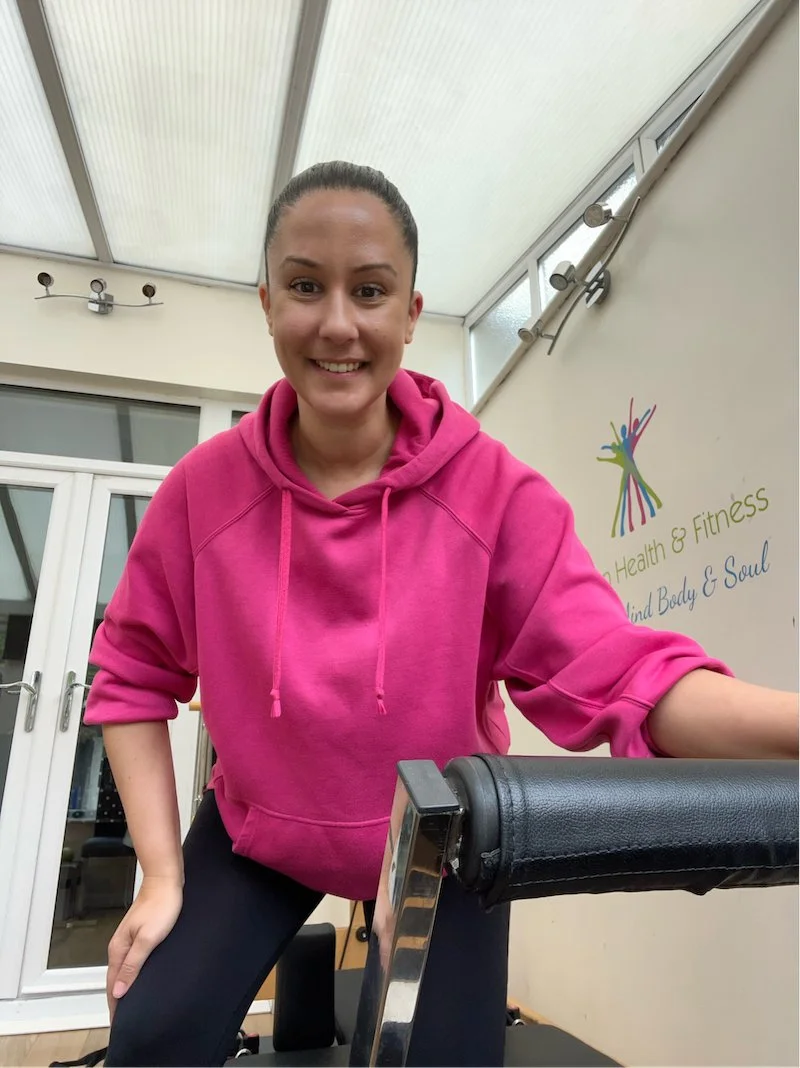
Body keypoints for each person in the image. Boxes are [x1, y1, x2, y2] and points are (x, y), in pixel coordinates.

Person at [84, 161, 798, 1067]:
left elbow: (626, 676)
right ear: (267, 302)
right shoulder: (202, 494)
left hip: (438, 837)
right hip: (261, 822)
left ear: (412, 312)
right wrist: (159, 876)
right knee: (154, 1033)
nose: (337, 323)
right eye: (306, 286)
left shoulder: (495, 492)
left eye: (370, 291)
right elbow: (133, 678)